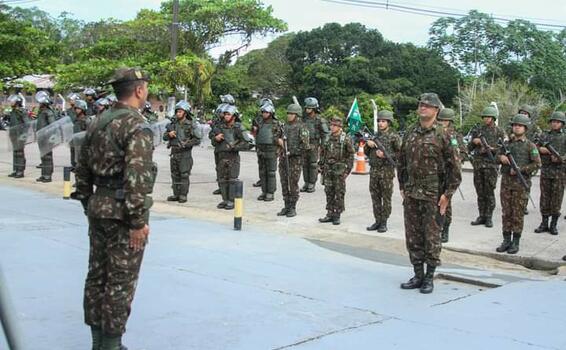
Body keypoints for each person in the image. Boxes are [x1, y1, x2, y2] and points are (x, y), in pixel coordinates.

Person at [72, 67, 156, 350]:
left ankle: (98, 342)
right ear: (139, 90)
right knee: (120, 282)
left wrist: (89, 204)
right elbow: (137, 178)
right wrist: (137, 222)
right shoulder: (136, 125)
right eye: (145, 87)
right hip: (122, 215)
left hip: (98, 209)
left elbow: (81, 169)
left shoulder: (98, 122)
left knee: (97, 276)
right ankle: (110, 345)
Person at [397, 93, 461, 294]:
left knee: (432, 237)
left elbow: (455, 168)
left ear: (436, 110)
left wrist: (447, 195)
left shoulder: (444, 134)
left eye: (427, 105)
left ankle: (429, 278)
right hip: (412, 194)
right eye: (421, 104)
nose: (423, 107)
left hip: (434, 195)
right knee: (413, 237)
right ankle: (417, 274)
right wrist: (402, 186)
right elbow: (401, 161)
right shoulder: (410, 132)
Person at [496, 114, 541, 254]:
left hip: (521, 184)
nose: (517, 127)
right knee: (506, 212)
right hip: (506, 183)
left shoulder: (530, 145)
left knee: (517, 213)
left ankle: (515, 241)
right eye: (515, 125)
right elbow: (496, 155)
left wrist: (520, 170)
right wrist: (501, 157)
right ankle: (506, 240)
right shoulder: (506, 143)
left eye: (520, 125)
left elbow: (537, 163)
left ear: (525, 128)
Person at [468, 106, 506, 228]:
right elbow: (469, 148)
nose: (486, 119)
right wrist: (475, 142)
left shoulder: (499, 131)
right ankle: (481, 215)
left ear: (493, 118)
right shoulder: (478, 130)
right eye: (484, 117)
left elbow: (504, 149)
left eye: (488, 117)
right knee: (480, 192)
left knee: (489, 192)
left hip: (491, 165)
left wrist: (491, 149)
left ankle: (489, 216)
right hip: (479, 165)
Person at [365, 110, 401, 233]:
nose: (380, 123)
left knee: (386, 198)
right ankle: (377, 220)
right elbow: (367, 153)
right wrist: (367, 145)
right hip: (374, 171)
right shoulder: (375, 136)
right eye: (379, 121)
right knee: (375, 197)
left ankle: (384, 222)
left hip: (386, 172)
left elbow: (400, 154)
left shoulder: (394, 136)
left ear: (388, 122)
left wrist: (386, 155)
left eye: (383, 121)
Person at [210, 105, 253, 209]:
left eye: (228, 114)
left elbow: (247, 143)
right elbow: (213, 142)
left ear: (234, 116)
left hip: (233, 157)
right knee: (222, 179)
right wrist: (216, 138)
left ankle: (231, 201)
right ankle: (225, 200)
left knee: (232, 179)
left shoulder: (238, 127)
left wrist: (234, 147)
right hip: (221, 157)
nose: (226, 116)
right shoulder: (219, 127)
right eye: (225, 114)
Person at [318, 116, 355, 225]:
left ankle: (337, 214)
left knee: (339, 192)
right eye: (331, 125)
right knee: (329, 191)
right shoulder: (328, 137)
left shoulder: (345, 139)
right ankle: (329, 213)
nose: (332, 127)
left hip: (339, 170)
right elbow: (323, 152)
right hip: (328, 169)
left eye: (335, 125)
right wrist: (320, 165)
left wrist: (347, 170)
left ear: (340, 127)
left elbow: (351, 155)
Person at [163, 100, 202, 203]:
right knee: (174, 174)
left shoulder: (191, 124)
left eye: (180, 111)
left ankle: (183, 195)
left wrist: (186, 144)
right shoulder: (172, 124)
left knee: (184, 175)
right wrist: (169, 134)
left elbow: (198, 139)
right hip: (174, 152)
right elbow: (164, 137)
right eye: (177, 111)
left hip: (185, 153)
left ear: (185, 112)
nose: (178, 113)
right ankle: (176, 194)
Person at [437, 108, 466, 242]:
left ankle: (445, 230)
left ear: (450, 121)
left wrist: (454, 162)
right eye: (441, 119)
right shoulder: (435, 133)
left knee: (446, 204)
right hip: (435, 173)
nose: (442, 122)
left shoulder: (455, 136)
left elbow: (463, 153)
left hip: (448, 175)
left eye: (445, 120)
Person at [534, 111, 565, 235]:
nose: (554, 124)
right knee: (544, 198)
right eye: (553, 121)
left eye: (557, 122)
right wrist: (542, 149)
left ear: (562, 124)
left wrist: (561, 157)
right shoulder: (544, 136)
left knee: (557, 199)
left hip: (560, 172)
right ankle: (544, 222)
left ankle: (553, 224)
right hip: (546, 171)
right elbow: (533, 148)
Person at [277, 104, 310, 217]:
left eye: (291, 114)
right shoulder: (284, 126)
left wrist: (290, 151)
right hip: (283, 159)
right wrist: (279, 142)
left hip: (295, 160)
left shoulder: (302, 127)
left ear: (297, 115)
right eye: (288, 113)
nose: (289, 115)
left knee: (293, 183)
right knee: (284, 183)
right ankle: (286, 205)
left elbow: (305, 146)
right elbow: (277, 138)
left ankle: (293, 207)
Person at [301, 97, 329, 193]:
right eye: (307, 108)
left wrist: (323, 145)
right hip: (304, 144)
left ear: (314, 109)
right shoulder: (304, 119)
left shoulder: (320, 120)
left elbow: (325, 133)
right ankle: (306, 182)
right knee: (304, 164)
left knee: (313, 164)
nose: (307, 110)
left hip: (314, 143)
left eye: (310, 108)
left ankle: (312, 183)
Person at [254, 103, 281, 201]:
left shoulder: (276, 123)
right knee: (262, 172)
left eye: (266, 112)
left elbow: (280, 138)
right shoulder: (259, 123)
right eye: (263, 112)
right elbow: (256, 135)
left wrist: (278, 150)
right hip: (261, 149)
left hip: (271, 150)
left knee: (270, 173)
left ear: (271, 113)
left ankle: (270, 192)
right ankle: (264, 191)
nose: (264, 114)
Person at [35, 92, 57, 183]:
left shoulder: (48, 112)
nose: (39, 104)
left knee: (47, 157)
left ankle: (48, 176)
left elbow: (53, 125)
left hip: (47, 138)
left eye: (40, 103)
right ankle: (43, 175)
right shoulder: (41, 112)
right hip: (41, 137)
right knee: (43, 157)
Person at [7, 94, 28, 178]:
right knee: (15, 153)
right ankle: (15, 170)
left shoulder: (22, 111)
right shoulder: (13, 111)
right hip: (13, 135)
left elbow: (27, 123)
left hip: (20, 135)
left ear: (17, 102)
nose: (11, 102)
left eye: (12, 101)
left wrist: (23, 134)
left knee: (20, 153)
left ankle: (20, 171)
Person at [70, 100, 89, 168]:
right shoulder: (75, 119)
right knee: (74, 155)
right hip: (74, 141)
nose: (77, 110)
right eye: (76, 108)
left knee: (80, 158)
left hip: (81, 142)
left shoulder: (86, 120)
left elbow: (88, 132)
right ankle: (74, 166)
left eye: (79, 108)